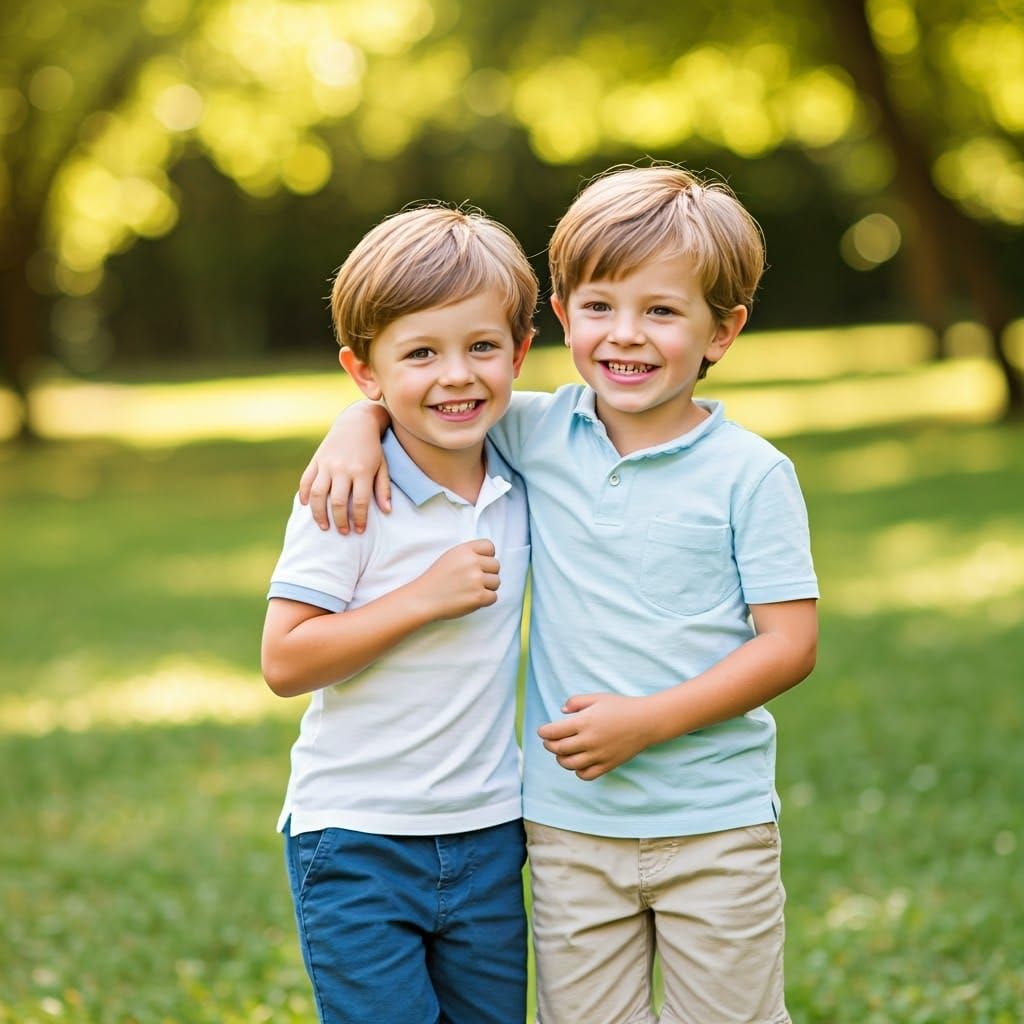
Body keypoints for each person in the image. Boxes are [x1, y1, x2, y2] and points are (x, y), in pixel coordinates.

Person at [301, 165, 819, 1024]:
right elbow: (426, 394)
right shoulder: (535, 429)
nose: (627, 335)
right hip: (569, 826)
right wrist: (355, 425)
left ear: (723, 331)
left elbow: (790, 645)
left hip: (715, 822)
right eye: (600, 306)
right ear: (562, 315)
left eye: (662, 311)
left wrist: (650, 721)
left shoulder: (752, 475)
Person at [261, 204, 537, 1024]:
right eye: (420, 353)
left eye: (481, 347)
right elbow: (285, 660)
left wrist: (365, 415)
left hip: (490, 832)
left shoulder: (527, 468)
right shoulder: (346, 496)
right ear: (364, 371)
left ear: (520, 352)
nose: (457, 376)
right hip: (357, 838)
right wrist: (421, 598)